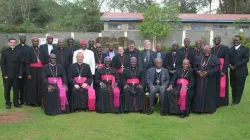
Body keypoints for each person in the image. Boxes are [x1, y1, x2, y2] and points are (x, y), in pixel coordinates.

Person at [192, 45, 220, 113]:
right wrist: (197, 71)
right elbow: (194, 67)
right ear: (203, 51)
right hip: (199, 79)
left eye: (208, 50)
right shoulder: (198, 58)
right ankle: (198, 109)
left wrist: (207, 73)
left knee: (209, 94)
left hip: (209, 80)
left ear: (210, 50)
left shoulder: (214, 58)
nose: (207, 51)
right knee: (198, 93)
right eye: (205, 50)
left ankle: (208, 109)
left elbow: (217, 69)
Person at [1, 38, 23, 109]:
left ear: (15, 43)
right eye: (11, 42)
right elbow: (2, 64)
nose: (12, 44)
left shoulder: (19, 52)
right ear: (8, 43)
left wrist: (20, 74)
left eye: (14, 42)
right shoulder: (4, 52)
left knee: (16, 90)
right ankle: (8, 103)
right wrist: (4, 75)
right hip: (7, 75)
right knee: (7, 89)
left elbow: (21, 64)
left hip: (16, 75)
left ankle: (16, 103)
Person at [25, 37, 47, 106]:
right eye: (34, 41)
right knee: (32, 86)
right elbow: (27, 63)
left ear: (38, 42)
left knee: (40, 86)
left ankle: (39, 101)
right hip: (32, 71)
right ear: (32, 42)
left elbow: (45, 62)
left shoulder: (42, 50)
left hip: (40, 70)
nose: (36, 42)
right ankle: (32, 101)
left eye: (37, 41)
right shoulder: (28, 50)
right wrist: (28, 73)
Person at [229, 35, 249, 106]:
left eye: (237, 40)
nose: (235, 41)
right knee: (233, 86)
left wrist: (236, 65)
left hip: (241, 72)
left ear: (240, 41)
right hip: (232, 71)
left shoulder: (245, 49)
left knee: (239, 87)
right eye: (234, 40)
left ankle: (236, 101)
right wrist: (230, 65)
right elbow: (228, 60)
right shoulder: (230, 49)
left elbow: (245, 59)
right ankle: (234, 98)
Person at [211, 36, 230, 106]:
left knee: (222, 85)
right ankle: (215, 100)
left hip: (222, 69)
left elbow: (227, 61)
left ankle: (223, 102)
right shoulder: (212, 49)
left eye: (218, 39)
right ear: (213, 40)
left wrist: (224, 71)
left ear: (220, 40)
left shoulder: (225, 48)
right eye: (215, 39)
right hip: (214, 69)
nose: (216, 40)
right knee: (215, 85)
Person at [15, 34, 30, 105]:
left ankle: (25, 99)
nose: (23, 39)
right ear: (19, 39)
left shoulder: (28, 48)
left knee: (26, 85)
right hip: (18, 70)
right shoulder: (16, 47)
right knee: (19, 85)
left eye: (24, 38)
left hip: (27, 70)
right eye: (22, 38)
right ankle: (19, 100)